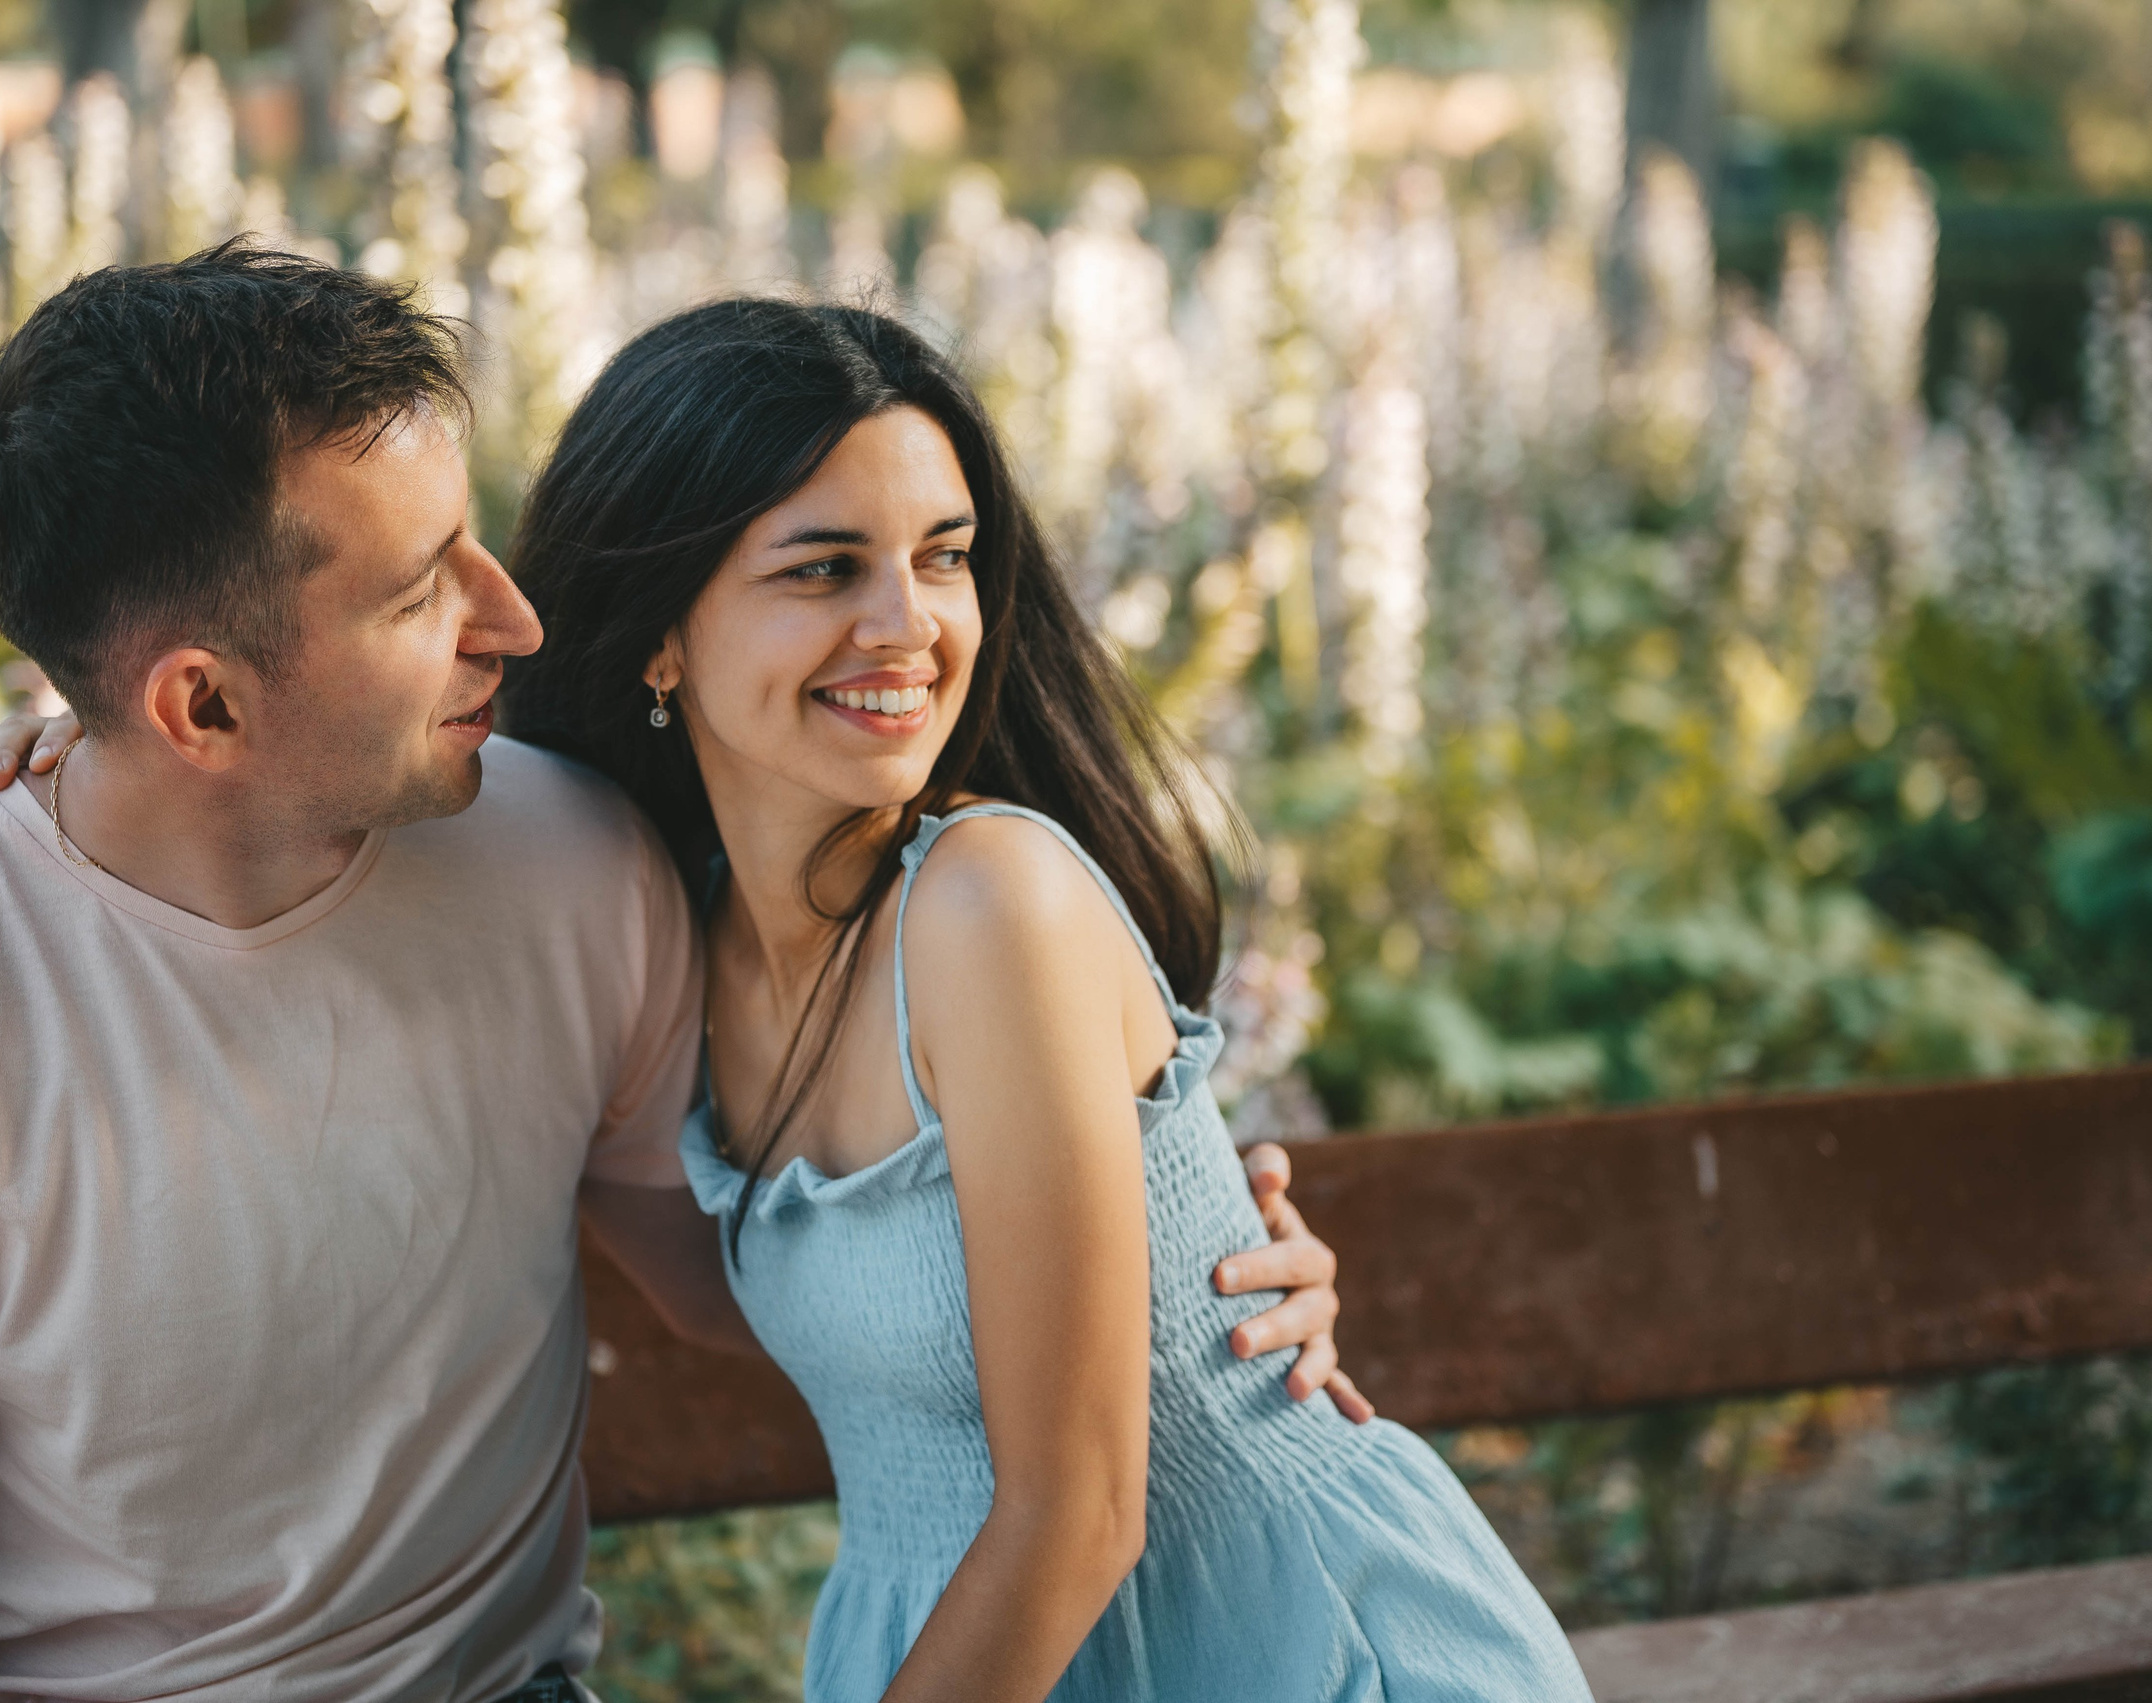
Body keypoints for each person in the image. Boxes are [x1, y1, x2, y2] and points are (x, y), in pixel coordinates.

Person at [0, 245, 1352, 1703]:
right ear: (198, 709)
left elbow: (761, 1269)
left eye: (472, 544)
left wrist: (1184, 1250)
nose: (518, 619)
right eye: (425, 590)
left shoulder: (572, 860)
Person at [497, 299, 1593, 1702]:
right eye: (825, 570)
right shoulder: (670, 942)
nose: (908, 627)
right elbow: (751, 1294)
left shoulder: (988, 902)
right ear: (659, 637)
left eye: (942, 558)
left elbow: (1080, 1509)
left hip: (1270, 1650)